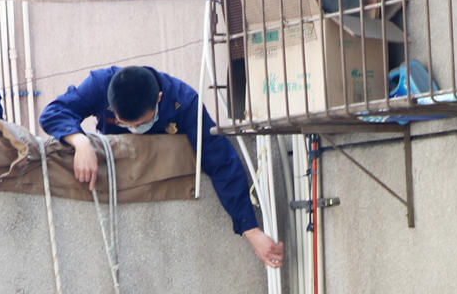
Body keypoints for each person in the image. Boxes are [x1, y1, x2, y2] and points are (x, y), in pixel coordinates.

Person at [39, 65, 285, 270]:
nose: (132, 129)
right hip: (113, 189)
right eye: (124, 123)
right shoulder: (100, 84)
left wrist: (251, 230)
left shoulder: (184, 101)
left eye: (139, 123)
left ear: (158, 99)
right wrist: (79, 141)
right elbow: (53, 112)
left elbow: (220, 161)